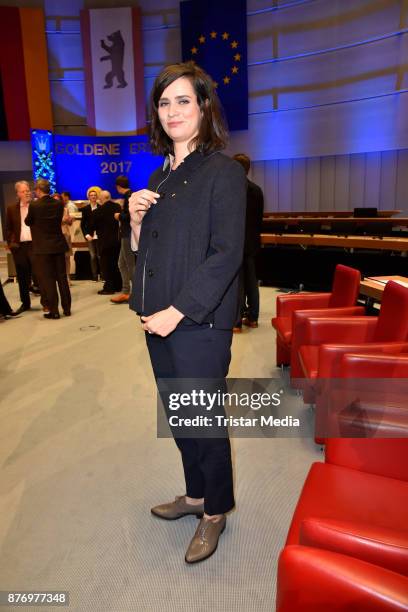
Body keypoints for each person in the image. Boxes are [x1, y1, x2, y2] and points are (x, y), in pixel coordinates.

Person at [128, 61, 246, 563]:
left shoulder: (222, 171)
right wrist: (134, 225)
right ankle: (194, 495)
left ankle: (215, 511)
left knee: (204, 420)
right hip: (159, 318)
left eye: (183, 100)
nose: (172, 110)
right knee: (181, 417)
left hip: (198, 321)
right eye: (164, 102)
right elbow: (148, 254)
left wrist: (177, 311)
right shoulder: (160, 175)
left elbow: (226, 254)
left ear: (203, 107)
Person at [25, 179, 71, 319]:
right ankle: (67, 309)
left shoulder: (34, 205)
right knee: (62, 278)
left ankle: (54, 311)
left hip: (43, 248)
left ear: (38, 190)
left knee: (48, 280)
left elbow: (28, 221)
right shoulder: (58, 203)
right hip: (58, 245)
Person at [232, 154, 264, 331]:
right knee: (252, 281)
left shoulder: (232, 190)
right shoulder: (257, 190)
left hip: (236, 244)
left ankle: (236, 322)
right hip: (252, 243)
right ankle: (253, 318)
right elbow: (259, 220)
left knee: (237, 283)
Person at [5, 180, 38, 314]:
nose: (27, 193)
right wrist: (11, 244)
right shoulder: (11, 208)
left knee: (39, 274)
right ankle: (25, 303)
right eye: (23, 191)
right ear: (18, 193)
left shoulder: (36, 206)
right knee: (22, 277)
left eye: (28, 190)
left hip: (34, 245)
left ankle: (46, 302)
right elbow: (8, 229)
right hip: (19, 247)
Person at [91, 190, 122, 295]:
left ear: (102, 198)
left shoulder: (98, 211)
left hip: (104, 241)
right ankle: (118, 285)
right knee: (116, 264)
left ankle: (109, 287)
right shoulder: (117, 207)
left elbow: (93, 226)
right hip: (117, 240)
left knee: (106, 265)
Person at [111, 175, 134, 304]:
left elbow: (128, 215)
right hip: (126, 233)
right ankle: (126, 291)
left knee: (130, 264)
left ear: (118, 187)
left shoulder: (128, 196)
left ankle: (135, 293)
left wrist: (118, 215)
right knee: (122, 263)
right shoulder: (130, 195)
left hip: (128, 234)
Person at [81, 186, 101, 281]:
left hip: (99, 235)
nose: (93, 197)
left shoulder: (101, 208)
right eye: (91, 195)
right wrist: (86, 235)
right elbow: (83, 224)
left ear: (97, 197)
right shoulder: (85, 209)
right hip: (90, 236)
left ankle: (103, 275)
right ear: (88, 197)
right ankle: (94, 276)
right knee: (93, 256)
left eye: (94, 195)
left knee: (100, 256)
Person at [54, 193, 74, 282]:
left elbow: (69, 223)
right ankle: (58, 277)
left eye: (58, 200)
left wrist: (70, 220)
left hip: (65, 234)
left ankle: (67, 277)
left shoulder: (65, 209)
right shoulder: (50, 210)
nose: (56, 202)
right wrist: (63, 220)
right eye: (54, 200)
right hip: (55, 236)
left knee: (67, 257)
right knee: (57, 258)